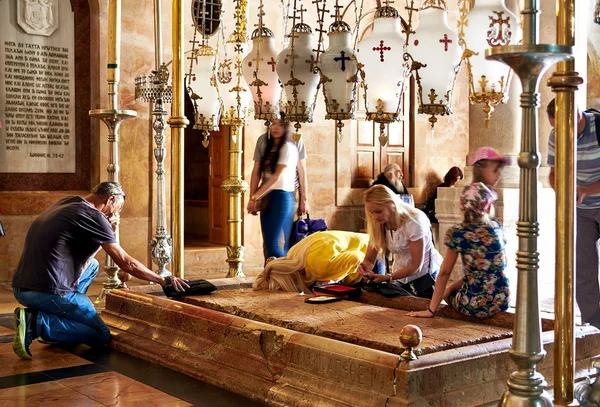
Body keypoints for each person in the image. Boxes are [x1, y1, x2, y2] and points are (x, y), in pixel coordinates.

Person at [11, 182, 188, 360]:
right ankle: (38, 323)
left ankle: (59, 322)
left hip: (21, 288)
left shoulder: (69, 202)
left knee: (94, 265)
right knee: (100, 335)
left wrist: (109, 231)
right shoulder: (95, 216)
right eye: (116, 210)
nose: (114, 215)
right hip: (46, 293)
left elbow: (86, 257)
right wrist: (163, 279)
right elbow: (127, 263)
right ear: (110, 199)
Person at [407, 182, 510, 319]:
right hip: (503, 299)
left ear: (462, 207)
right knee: (452, 289)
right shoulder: (497, 227)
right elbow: (488, 271)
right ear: (488, 206)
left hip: (476, 305)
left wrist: (431, 310)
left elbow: (444, 273)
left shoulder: (458, 232)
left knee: (449, 294)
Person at [546, 98, 600, 329]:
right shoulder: (556, 136)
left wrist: (586, 190)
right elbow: (553, 173)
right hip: (581, 211)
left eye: (560, 128)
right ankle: (595, 331)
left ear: (576, 116)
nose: (558, 133)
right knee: (583, 270)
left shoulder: (598, 126)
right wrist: (564, 192)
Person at [357, 185, 442, 298]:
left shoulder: (414, 221)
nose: (374, 217)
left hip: (425, 276)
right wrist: (365, 268)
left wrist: (388, 277)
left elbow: (416, 266)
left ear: (392, 204)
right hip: (399, 274)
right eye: (371, 212)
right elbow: (369, 259)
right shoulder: (378, 223)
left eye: (378, 211)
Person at [253, 230, 383, 293]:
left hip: (372, 254)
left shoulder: (318, 269)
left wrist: (335, 279)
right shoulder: (293, 254)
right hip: (365, 241)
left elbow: (358, 257)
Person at [247, 114, 299, 259]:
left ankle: (285, 275)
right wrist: (255, 197)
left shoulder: (288, 148)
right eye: (273, 124)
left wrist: (255, 197)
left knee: (276, 244)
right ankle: (276, 277)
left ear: (286, 127)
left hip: (282, 197)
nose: (275, 128)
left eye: (280, 124)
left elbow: (276, 178)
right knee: (269, 243)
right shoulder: (267, 147)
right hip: (268, 197)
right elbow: (257, 171)